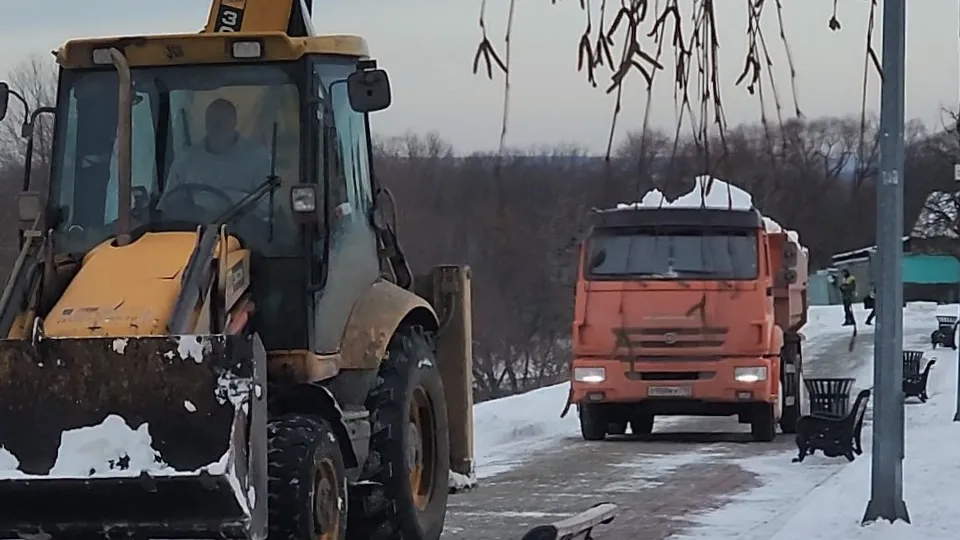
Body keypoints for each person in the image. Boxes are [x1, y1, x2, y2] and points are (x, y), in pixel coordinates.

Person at [160, 98, 273, 214]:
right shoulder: (185, 160)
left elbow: (269, 205)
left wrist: (236, 199)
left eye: (221, 122)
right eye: (211, 122)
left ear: (234, 123)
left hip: (242, 223)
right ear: (206, 124)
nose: (216, 127)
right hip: (193, 223)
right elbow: (167, 205)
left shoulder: (257, 157)